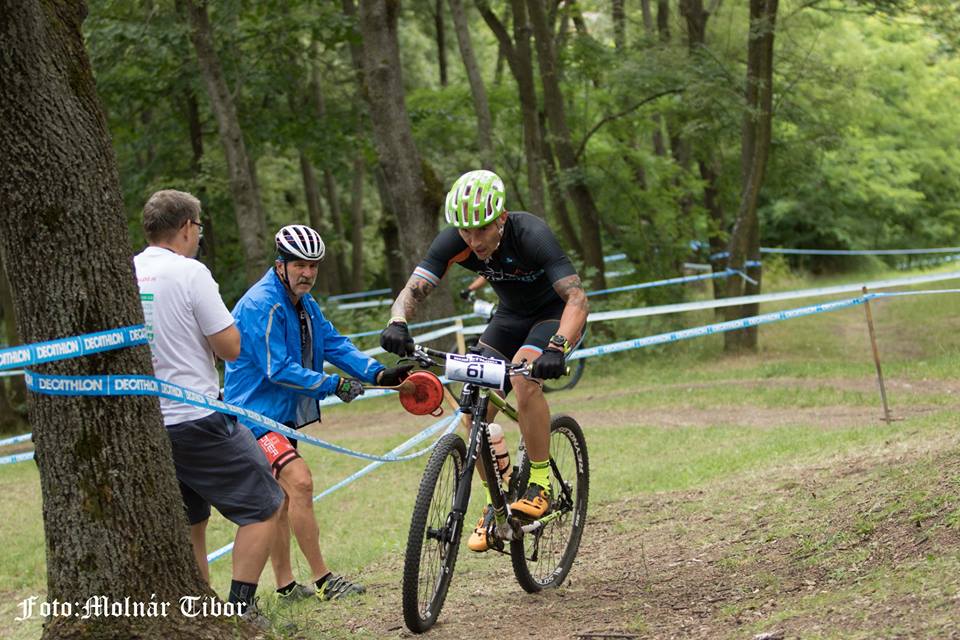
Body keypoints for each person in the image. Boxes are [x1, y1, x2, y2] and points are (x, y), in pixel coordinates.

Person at [379, 169, 589, 552]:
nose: (473, 241)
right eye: (465, 232)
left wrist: (557, 347)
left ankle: (540, 481)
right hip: (508, 317)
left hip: (553, 317)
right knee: (472, 406)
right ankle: (501, 497)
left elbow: (577, 299)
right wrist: (397, 322)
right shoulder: (455, 241)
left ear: (502, 220)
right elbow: (413, 289)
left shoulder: (532, 234)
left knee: (524, 380)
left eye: (481, 230)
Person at [224, 224, 412, 601]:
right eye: (299, 265)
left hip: (282, 414)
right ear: (281, 264)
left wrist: (376, 371)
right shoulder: (265, 303)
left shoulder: (303, 303)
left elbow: (334, 343)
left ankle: (285, 586)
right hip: (253, 418)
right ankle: (324, 579)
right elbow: (277, 368)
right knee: (300, 482)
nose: (307, 273)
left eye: (313, 266)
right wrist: (333, 385)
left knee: (279, 501)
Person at [133, 190, 283, 623]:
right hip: (197, 416)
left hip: (150, 421)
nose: (199, 235)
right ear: (185, 228)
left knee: (192, 520)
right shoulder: (191, 273)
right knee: (266, 502)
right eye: (198, 227)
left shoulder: (128, 269)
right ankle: (240, 610)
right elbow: (230, 346)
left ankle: (198, 611)